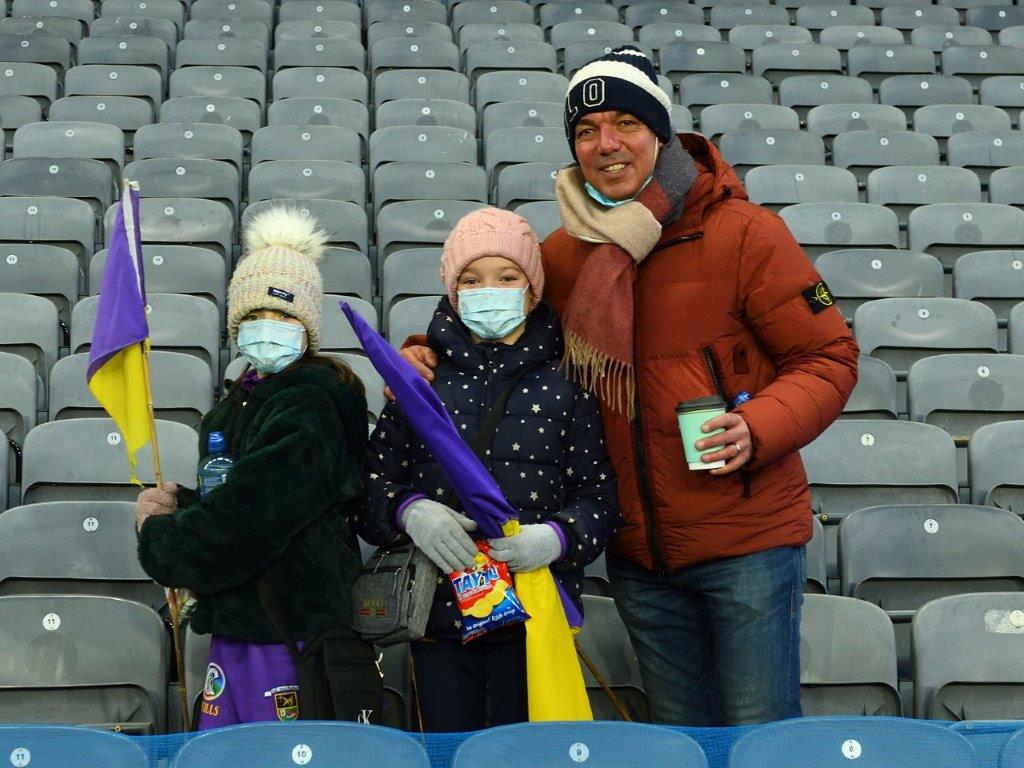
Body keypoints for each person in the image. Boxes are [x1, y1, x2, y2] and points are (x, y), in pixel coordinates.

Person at [399, 47, 859, 726]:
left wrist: (760, 425)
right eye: (586, 131)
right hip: (640, 555)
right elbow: (491, 332)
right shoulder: (562, 255)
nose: (606, 145)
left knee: (761, 736)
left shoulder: (747, 235)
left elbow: (830, 357)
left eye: (625, 124)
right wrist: (422, 354)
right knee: (677, 738)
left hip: (746, 545)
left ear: (660, 132)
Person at [355, 207, 620, 732]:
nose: (488, 289)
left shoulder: (571, 382)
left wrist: (556, 539)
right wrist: (411, 512)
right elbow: (369, 488)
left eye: (506, 276)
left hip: (535, 615)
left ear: (532, 288)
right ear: (453, 292)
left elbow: (600, 499)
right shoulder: (417, 380)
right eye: (470, 279)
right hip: (437, 618)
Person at [135, 208, 373, 729]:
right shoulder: (239, 401)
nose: (269, 328)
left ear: (308, 327)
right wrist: (179, 504)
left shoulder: (313, 402)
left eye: (286, 317)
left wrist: (163, 541)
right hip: (242, 624)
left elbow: (253, 517)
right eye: (255, 316)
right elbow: (235, 493)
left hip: (290, 628)